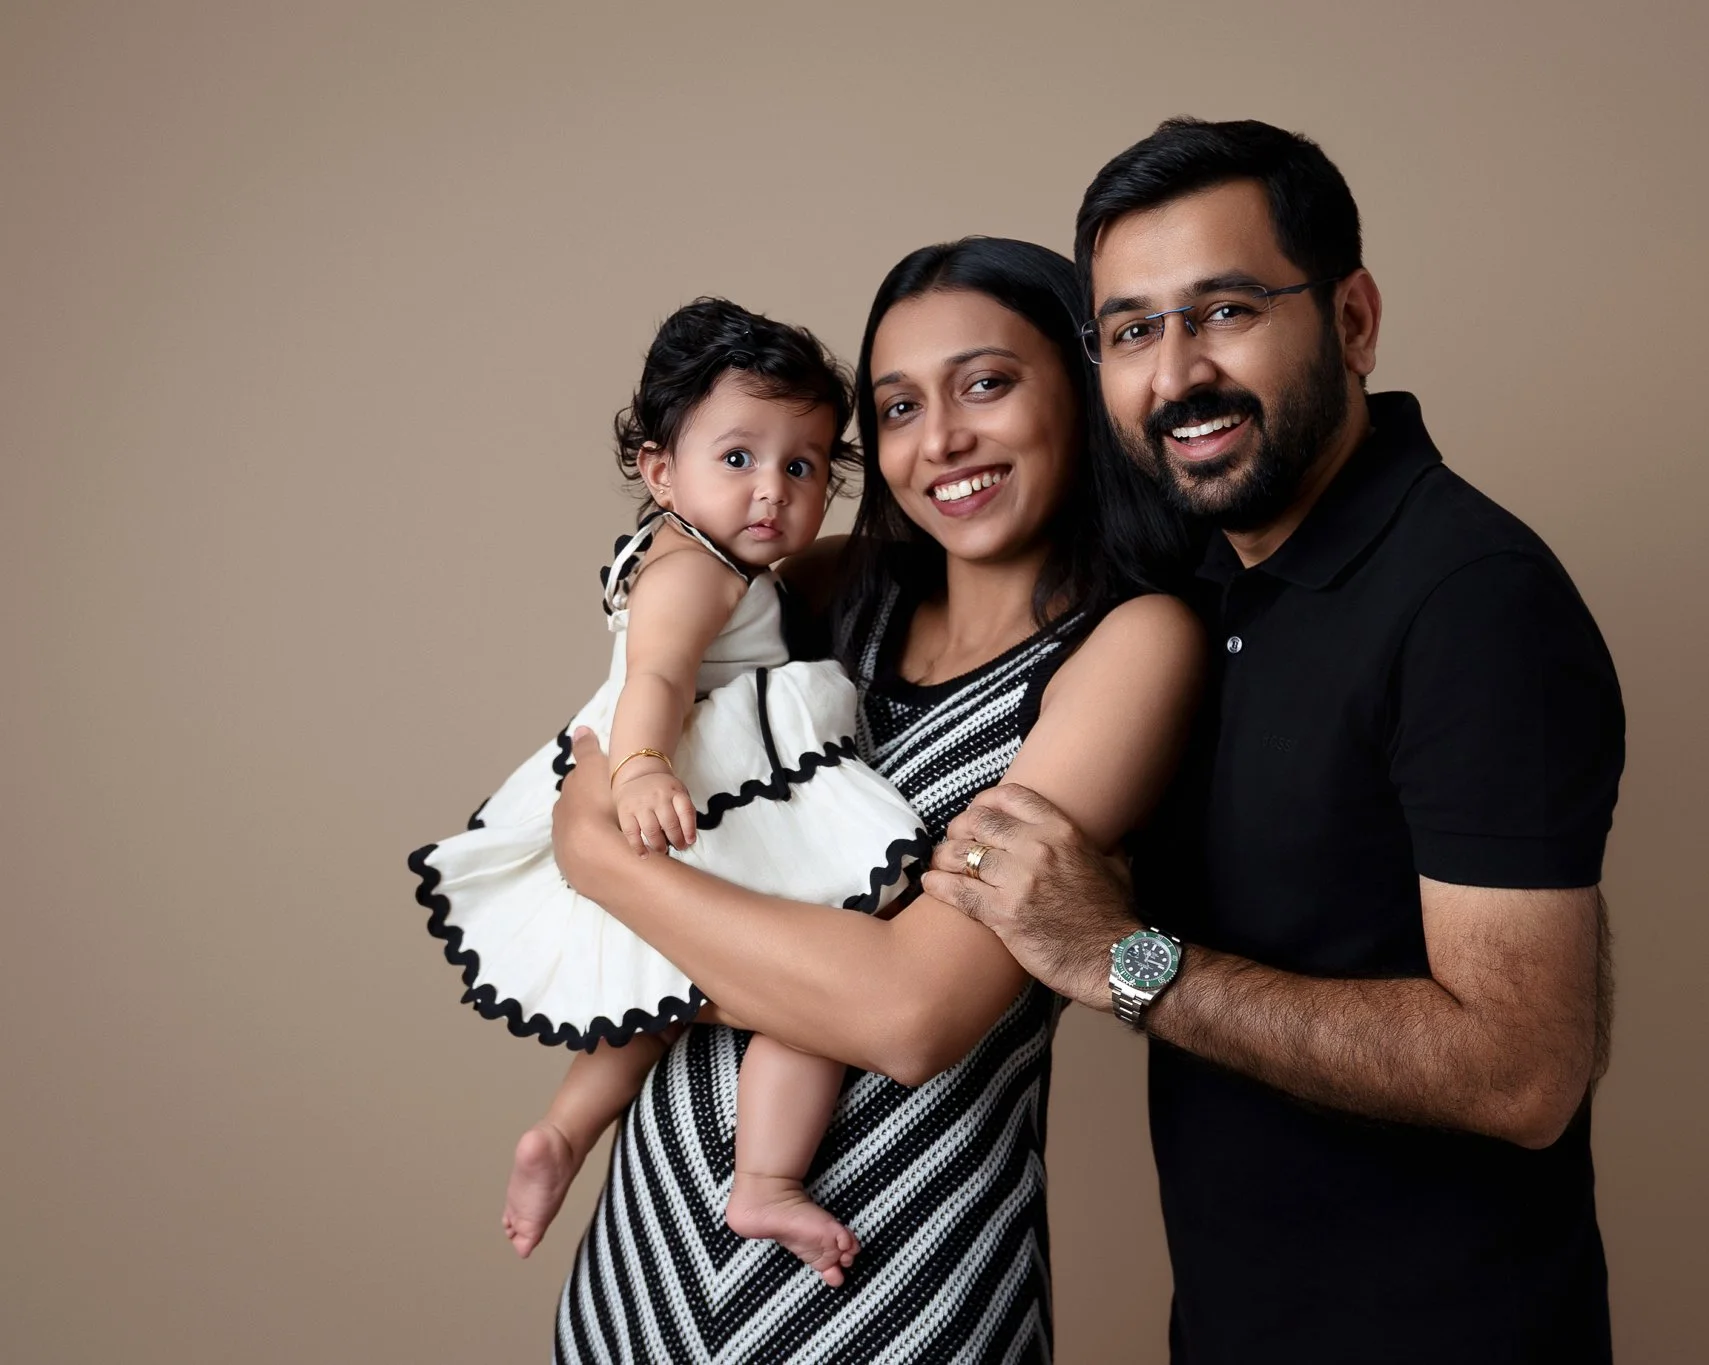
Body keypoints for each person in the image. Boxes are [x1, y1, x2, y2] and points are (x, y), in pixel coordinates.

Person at [922, 119, 1628, 1361]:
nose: (1176, 372)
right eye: (1132, 330)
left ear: (1351, 321)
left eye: (1227, 309)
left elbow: (1523, 1071)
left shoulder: (1471, 599)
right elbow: (931, 538)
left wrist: (1122, 959)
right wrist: (689, 566)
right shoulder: (1191, 578)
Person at [542, 239, 1199, 1362]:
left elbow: (908, 1016)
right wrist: (610, 844)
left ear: (1082, 394)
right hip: (650, 1250)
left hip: (894, 1272)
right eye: (897, 407)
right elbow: (602, 750)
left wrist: (610, 876)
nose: (939, 439)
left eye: (984, 384)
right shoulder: (820, 590)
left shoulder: (1131, 646)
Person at [409, 297, 934, 1282]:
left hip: (696, 790)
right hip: (695, 792)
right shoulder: (689, 571)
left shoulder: (722, 563)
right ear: (660, 471)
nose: (771, 489)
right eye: (736, 458)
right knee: (815, 983)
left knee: (649, 986)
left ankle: (565, 1131)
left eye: (803, 464)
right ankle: (764, 1180)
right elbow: (653, 676)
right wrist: (644, 765)